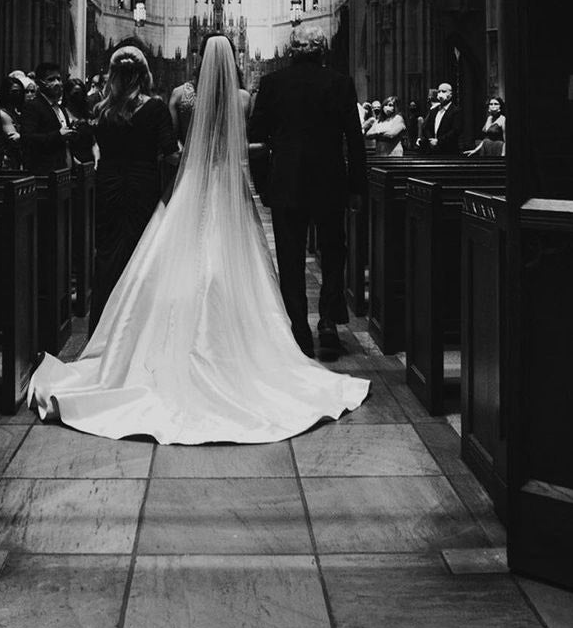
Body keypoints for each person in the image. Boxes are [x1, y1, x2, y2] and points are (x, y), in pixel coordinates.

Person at [27, 34, 368, 443]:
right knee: (292, 256)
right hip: (268, 184)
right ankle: (315, 327)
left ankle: (294, 329)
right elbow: (267, 140)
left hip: (216, 183)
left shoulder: (196, 96)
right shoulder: (250, 96)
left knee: (241, 257)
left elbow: (182, 144)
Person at [248, 23, 368, 360]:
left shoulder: (272, 84)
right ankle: (328, 321)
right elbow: (355, 142)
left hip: (286, 182)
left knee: (290, 258)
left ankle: (299, 329)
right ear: (322, 50)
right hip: (330, 180)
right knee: (333, 250)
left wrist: (263, 185)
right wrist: (357, 186)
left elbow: (256, 140)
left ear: (292, 50)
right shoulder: (340, 83)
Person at [88, 46, 176, 332]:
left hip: (109, 185)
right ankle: (139, 330)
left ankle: (103, 327)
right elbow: (169, 152)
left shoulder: (101, 111)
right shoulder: (155, 107)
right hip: (142, 185)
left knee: (108, 252)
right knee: (142, 251)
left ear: (112, 75)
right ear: (144, 74)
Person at [169, 37, 251, 148]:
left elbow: (173, 142)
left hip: (190, 163)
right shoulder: (242, 98)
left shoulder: (178, 94)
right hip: (227, 164)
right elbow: (242, 143)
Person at [22, 63, 74, 174]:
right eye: (51, 79)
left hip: (64, 170)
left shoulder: (61, 108)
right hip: (45, 173)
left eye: (58, 79)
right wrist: (58, 135)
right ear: (39, 83)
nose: (57, 83)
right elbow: (28, 139)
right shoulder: (33, 106)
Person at [416, 80, 462, 154]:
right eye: (439, 91)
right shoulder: (434, 110)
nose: (440, 94)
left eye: (443, 91)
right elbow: (426, 127)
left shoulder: (456, 111)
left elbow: (455, 131)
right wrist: (430, 140)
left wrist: (438, 141)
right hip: (432, 150)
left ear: (450, 94)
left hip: (448, 151)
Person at [62, 77, 97, 166]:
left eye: (81, 94)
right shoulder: (62, 114)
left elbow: (94, 142)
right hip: (70, 161)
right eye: (75, 94)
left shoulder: (88, 115)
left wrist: (96, 161)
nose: (79, 97)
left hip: (89, 162)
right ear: (67, 94)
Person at [0, 71, 28, 170]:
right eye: (14, 92)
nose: (18, 95)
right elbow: (13, 138)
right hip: (7, 161)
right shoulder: (3, 114)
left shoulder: (16, 112)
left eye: (20, 92)